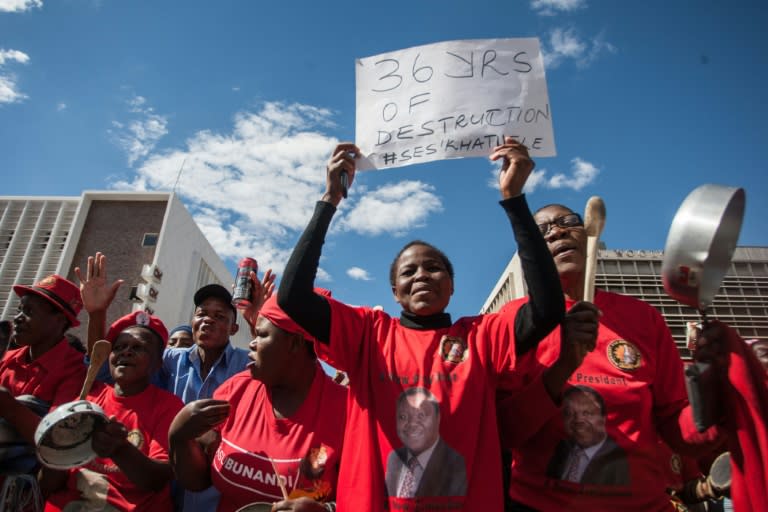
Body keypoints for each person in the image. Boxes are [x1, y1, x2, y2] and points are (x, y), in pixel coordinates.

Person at [276, 138, 572, 511]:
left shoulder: (481, 336)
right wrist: (329, 200)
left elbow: (547, 309)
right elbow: (292, 298)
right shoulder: (368, 333)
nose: (421, 275)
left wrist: (514, 198)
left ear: (452, 286)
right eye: (409, 271)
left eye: (434, 267)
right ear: (395, 292)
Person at [497, 202, 752, 511]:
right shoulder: (512, 321)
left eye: (568, 221)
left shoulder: (643, 318)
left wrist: (719, 395)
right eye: (543, 231)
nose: (558, 231)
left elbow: (679, 431)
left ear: (589, 234)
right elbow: (506, 431)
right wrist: (564, 365)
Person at [76, 251, 275, 511]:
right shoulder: (169, 359)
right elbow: (102, 371)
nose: (208, 321)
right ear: (192, 321)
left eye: (220, 317)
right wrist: (97, 314)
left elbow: (279, 375)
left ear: (233, 329)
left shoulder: (244, 365)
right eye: (202, 313)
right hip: (164, 488)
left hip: (215, 492)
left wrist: (258, 323)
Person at [168, 293, 347, 512]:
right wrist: (179, 437)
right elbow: (199, 481)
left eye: (261, 334)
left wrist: (326, 510)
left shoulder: (347, 412)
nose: (251, 343)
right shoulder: (235, 390)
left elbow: (373, 499)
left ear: (295, 343)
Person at [40, 309, 185, 511]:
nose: (126, 352)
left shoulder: (170, 406)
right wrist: (58, 448)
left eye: (138, 348)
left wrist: (120, 449)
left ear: (158, 363)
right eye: (119, 347)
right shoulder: (86, 397)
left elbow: (157, 480)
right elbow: (48, 484)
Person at [385, 387, 467, 498]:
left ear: (438, 419)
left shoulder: (455, 463)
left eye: (421, 415)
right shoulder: (394, 458)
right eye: (403, 417)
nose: (412, 424)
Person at [545, 385, 629, 485]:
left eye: (587, 413)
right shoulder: (561, 449)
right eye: (569, 413)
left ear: (603, 418)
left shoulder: (619, 459)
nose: (578, 420)